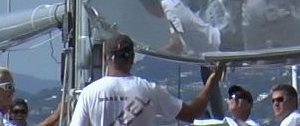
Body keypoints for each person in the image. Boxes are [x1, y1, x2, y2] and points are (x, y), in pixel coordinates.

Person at [71, 34, 225, 126]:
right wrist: (212, 81)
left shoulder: (89, 93)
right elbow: (191, 113)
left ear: (105, 59)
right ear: (132, 59)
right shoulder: (148, 89)